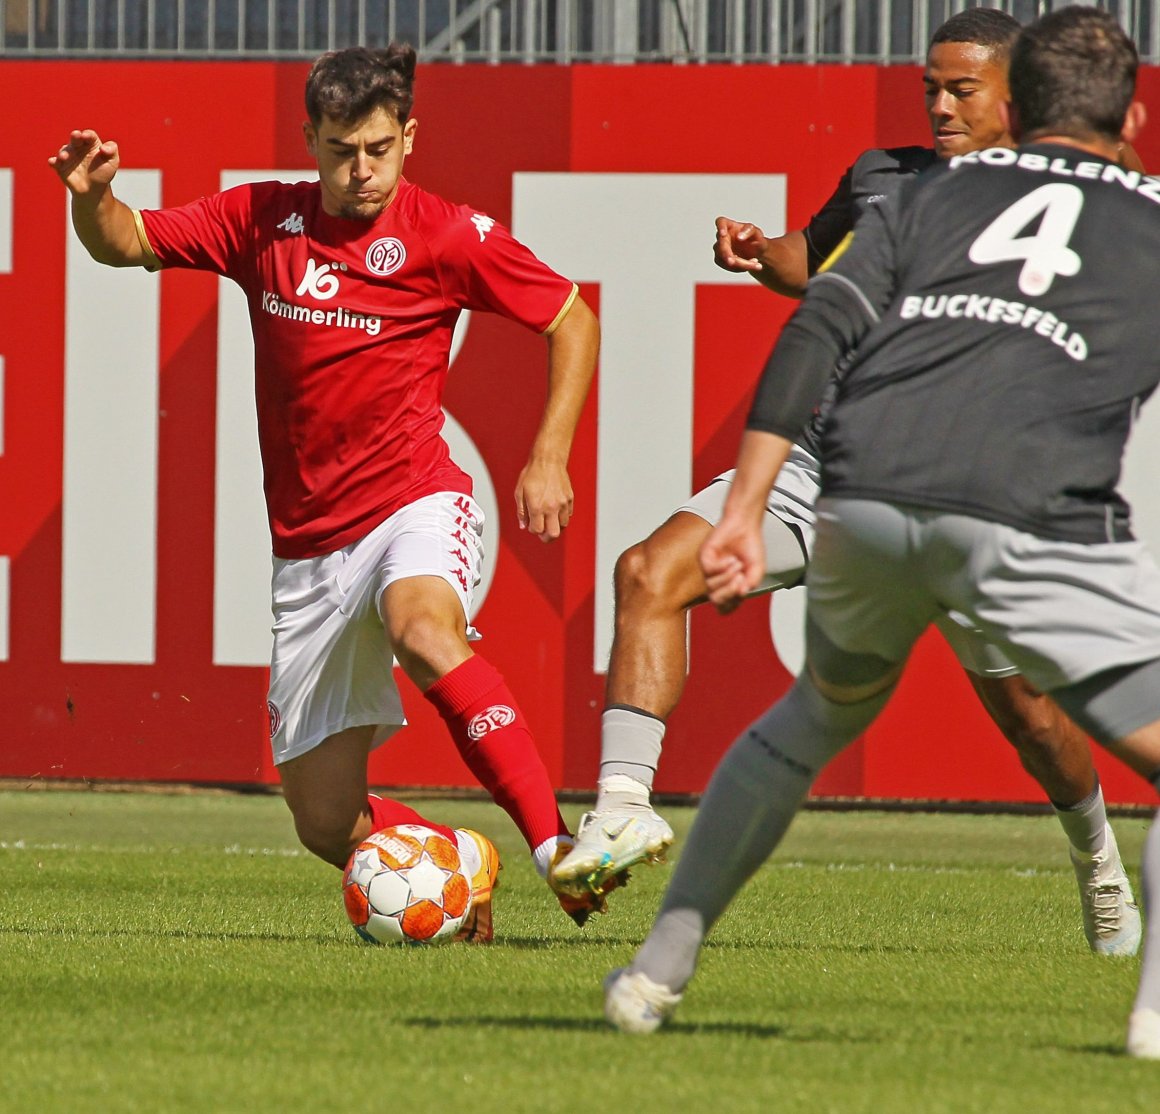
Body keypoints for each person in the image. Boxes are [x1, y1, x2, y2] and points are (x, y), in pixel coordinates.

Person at [603, 6, 1160, 1059]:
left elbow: (817, 320)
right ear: (1130, 116)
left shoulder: (921, 193)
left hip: (863, 495)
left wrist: (739, 505)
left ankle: (649, 976)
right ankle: (1151, 1021)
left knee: (809, 716)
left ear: (1019, 106)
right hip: (1022, 513)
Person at [49, 44, 605, 937]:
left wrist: (550, 454)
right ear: (309, 139)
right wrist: (93, 200)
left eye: (379, 148)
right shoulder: (260, 221)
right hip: (308, 552)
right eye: (343, 149)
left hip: (414, 503)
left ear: (409, 138)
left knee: (424, 628)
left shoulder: (448, 234)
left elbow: (572, 317)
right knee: (323, 824)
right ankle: (460, 867)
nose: (362, 170)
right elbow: (126, 245)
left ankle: (555, 847)